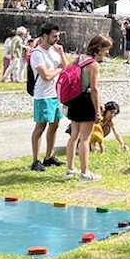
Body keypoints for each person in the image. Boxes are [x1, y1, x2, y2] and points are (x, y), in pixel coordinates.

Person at [63, 34, 111, 181]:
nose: (107, 52)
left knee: (74, 136)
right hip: (86, 101)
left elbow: (66, 70)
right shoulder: (94, 65)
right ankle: (85, 173)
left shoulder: (79, 58)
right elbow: (94, 89)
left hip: (74, 100)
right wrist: (98, 111)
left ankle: (70, 168)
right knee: (85, 138)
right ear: (100, 48)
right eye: (106, 49)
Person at [29, 23, 68, 172]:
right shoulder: (37, 54)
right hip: (43, 95)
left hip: (55, 94)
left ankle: (49, 156)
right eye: (54, 36)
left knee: (55, 124)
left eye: (58, 36)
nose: (57, 39)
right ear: (45, 36)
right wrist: (59, 69)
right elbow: (45, 76)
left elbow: (67, 68)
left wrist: (62, 54)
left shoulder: (54, 51)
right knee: (41, 126)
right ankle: (36, 160)